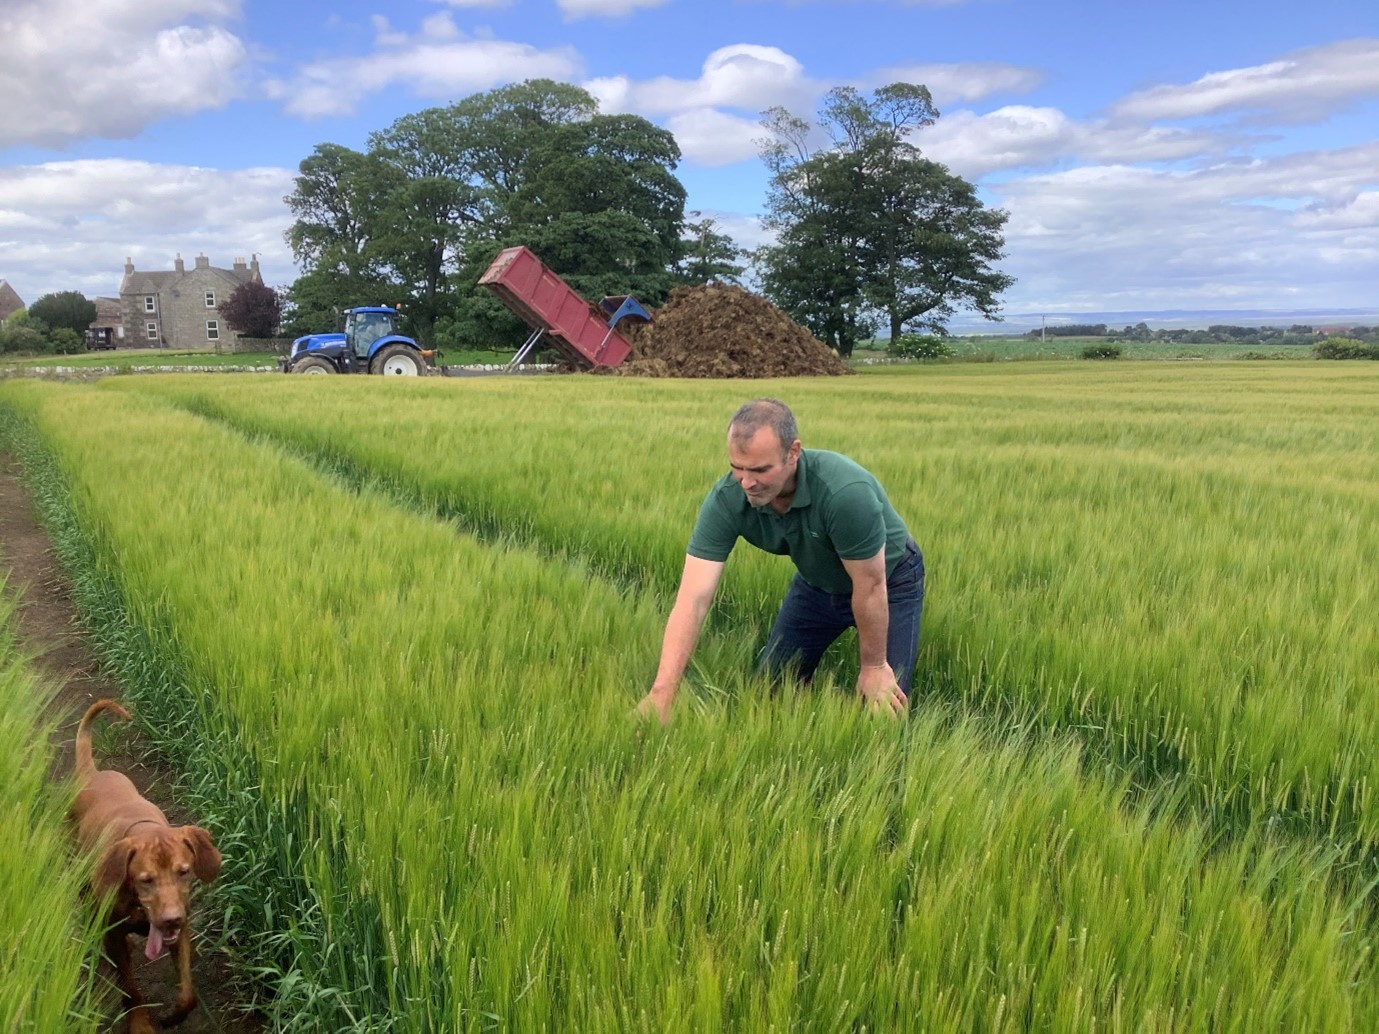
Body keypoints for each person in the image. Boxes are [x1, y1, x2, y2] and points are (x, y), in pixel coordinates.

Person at [638, 398, 925, 723]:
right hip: (816, 581)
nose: (746, 482)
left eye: (760, 469)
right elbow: (693, 598)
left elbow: (870, 587)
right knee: (770, 693)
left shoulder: (845, 493)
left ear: (793, 453)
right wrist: (662, 691)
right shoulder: (727, 500)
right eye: (737, 467)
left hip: (889, 580)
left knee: (884, 707)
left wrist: (873, 667)